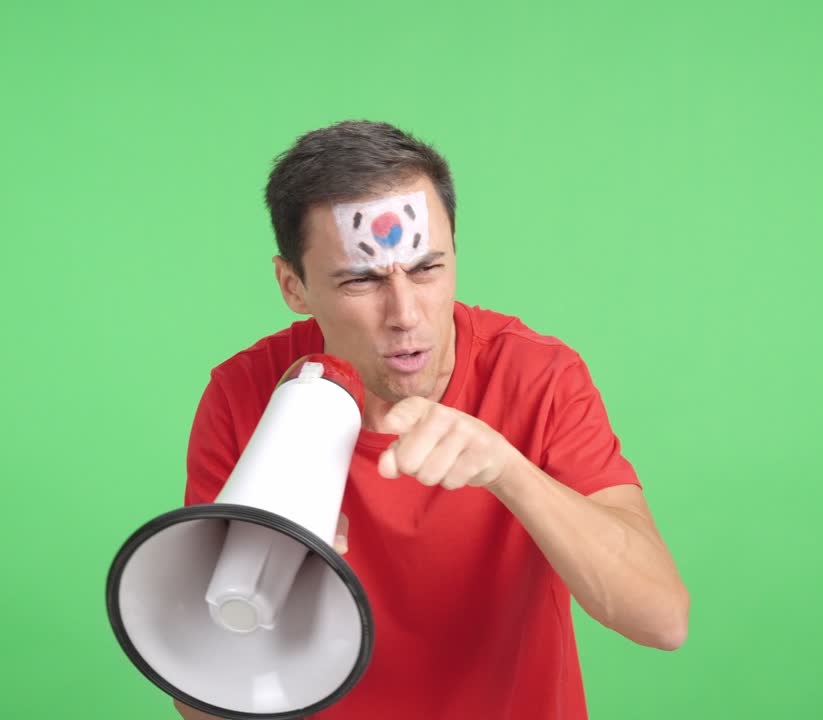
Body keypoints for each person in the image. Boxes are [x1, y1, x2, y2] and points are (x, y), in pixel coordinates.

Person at [179, 120, 689, 719]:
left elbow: (662, 619)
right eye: (361, 279)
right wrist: (277, 594)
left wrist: (509, 470)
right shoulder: (245, 394)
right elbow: (200, 706)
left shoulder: (538, 376)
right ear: (294, 286)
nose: (406, 314)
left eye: (426, 269)